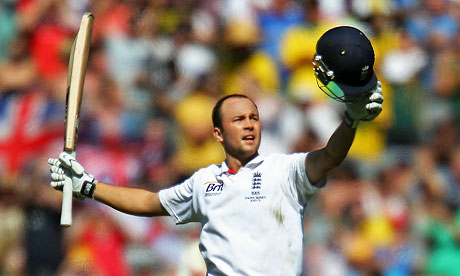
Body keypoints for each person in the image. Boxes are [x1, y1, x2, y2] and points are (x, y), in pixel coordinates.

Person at [48, 26, 384, 275]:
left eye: (254, 117)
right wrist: (88, 186)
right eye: (239, 119)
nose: (250, 124)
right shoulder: (204, 182)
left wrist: (351, 120)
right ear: (218, 134)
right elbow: (149, 203)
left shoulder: (284, 170)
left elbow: (330, 156)